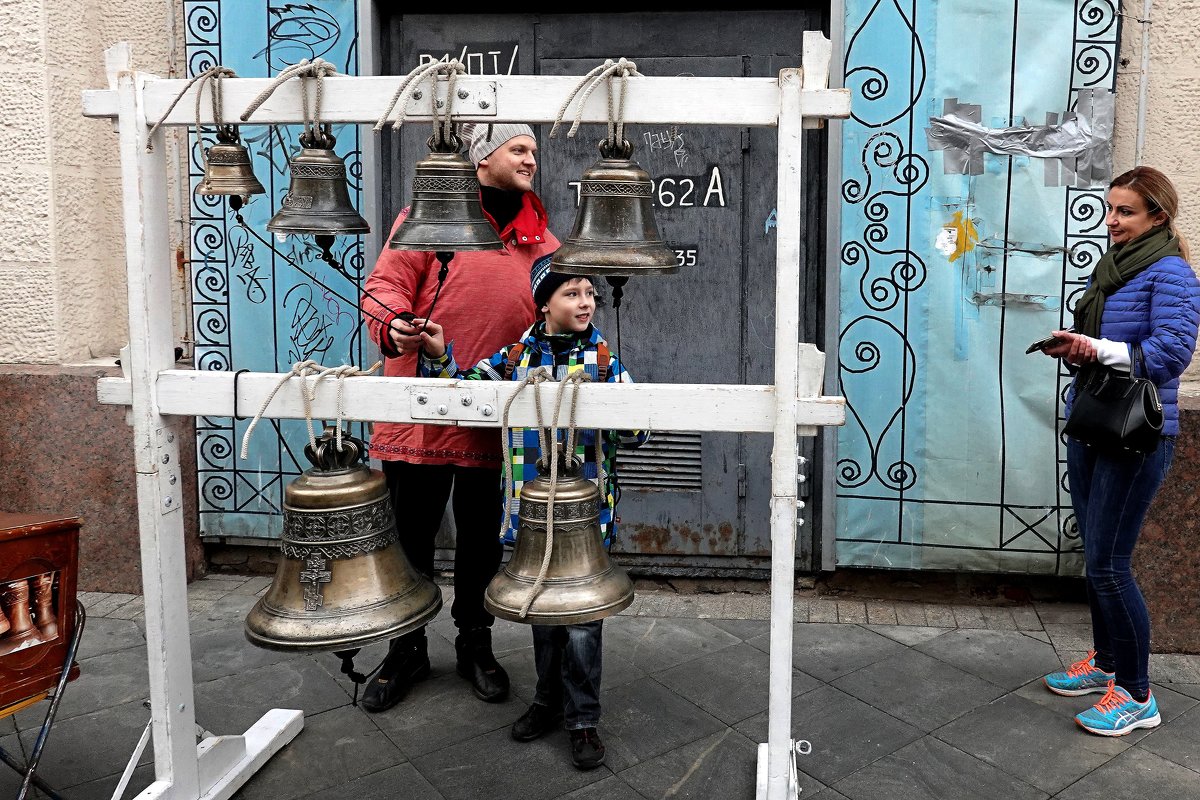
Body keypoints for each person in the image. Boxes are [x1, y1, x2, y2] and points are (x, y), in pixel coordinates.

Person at [413, 261, 648, 769]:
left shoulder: (605, 361)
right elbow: (467, 395)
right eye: (571, 294)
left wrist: (620, 407)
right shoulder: (516, 356)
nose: (585, 303)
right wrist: (437, 356)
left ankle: (583, 719)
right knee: (543, 611)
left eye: (589, 293)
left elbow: (637, 433)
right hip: (531, 513)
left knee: (583, 620)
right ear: (544, 304)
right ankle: (548, 700)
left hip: (584, 515)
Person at [359, 122, 558, 713]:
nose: (531, 159)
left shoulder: (542, 242)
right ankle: (406, 647)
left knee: (481, 544)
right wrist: (393, 324)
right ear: (481, 158)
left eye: (533, 150)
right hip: (418, 415)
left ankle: (475, 641)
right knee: (410, 539)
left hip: (493, 419)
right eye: (518, 148)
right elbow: (385, 285)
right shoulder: (427, 218)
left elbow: (556, 315)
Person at [1038, 166, 1200, 736]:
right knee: (1096, 558)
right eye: (1110, 209)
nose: (1111, 220)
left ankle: (1137, 694)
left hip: (1137, 432)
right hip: (1093, 420)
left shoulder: (1172, 273)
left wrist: (1094, 348)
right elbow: (1112, 346)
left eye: (1125, 211)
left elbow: (1169, 355)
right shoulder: (1113, 269)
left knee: (1111, 565)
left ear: (1158, 215)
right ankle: (1105, 664)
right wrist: (1080, 350)